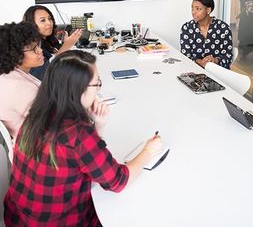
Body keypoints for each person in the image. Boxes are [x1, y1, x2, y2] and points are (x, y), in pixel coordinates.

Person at [4, 50, 163, 225]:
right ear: (79, 90)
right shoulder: (77, 133)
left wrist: (98, 125)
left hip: (18, 218)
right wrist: (148, 151)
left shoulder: (36, 114)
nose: (98, 90)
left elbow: (81, 158)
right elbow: (118, 181)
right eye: (97, 85)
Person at [0, 22, 43, 140]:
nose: (40, 50)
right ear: (15, 54)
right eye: (34, 49)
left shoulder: (7, 76)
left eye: (38, 45)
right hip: (36, 149)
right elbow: (49, 124)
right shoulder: (19, 87)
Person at [23, 5, 83, 80]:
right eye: (43, 20)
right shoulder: (31, 48)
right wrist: (66, 46)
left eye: (50, 19)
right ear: (31, 24)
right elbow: (42, 75)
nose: (49, 23)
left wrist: (65, 44)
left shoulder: (50, 40)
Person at [180, 0, 233, 69]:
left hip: (218, 72)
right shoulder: (187, 28)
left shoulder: (223, 28)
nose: (193, 12)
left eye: (198, 9)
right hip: (194, 71)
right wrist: (200, 62)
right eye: (192, 8)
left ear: (208, 10)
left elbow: (228, 56)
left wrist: (215, 60)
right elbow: (185, 56)